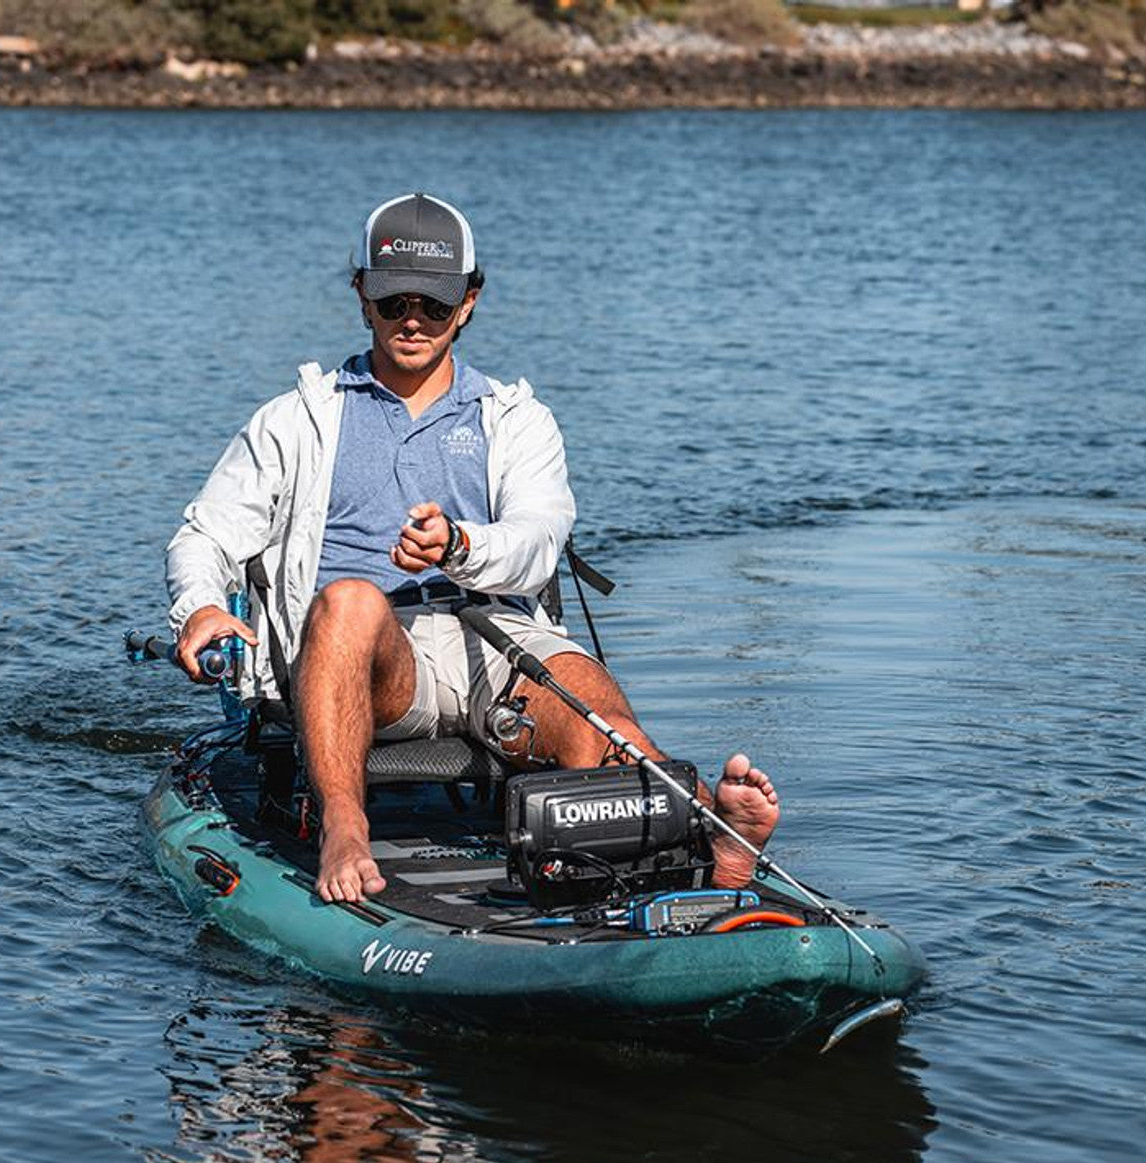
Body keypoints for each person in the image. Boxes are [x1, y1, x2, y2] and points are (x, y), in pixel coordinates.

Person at [166, 192, 778, 905]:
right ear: (362, 295)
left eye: (433, 301)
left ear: (469, 302)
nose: (414, 320)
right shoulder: (296, 420)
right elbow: (206, 533)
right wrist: (203, 609)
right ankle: (343, 826)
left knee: (598, 726)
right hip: (372, 659)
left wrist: (459, 544)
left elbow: (537, 544)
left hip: (499, 642)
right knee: (350, 599)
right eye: (395, 302)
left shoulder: (516, 420)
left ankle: (713, 833)